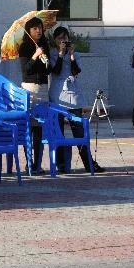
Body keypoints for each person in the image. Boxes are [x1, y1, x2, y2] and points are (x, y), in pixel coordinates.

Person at [48, 27, 104, 174]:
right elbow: (56, 71)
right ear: (55, 40)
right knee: (58, 132)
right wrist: (60, 54)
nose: (63, 41)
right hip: (58, 95)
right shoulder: (52, 54)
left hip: (73, 95)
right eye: (59, 38)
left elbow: (76, 71)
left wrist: (71, 55)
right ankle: (61, 164)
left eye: (65, 38)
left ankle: (88, 163)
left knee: (79, 131)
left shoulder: (75, 54)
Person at [18, 16, 52, 174]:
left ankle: (37, 163)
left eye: (40, 27)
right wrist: (35, 55)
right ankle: (28, 163)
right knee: (29, 127)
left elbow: (48, 71)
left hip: (43, 89)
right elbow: (26, 70)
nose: (38, 31)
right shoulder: (24, 47)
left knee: (39, 128)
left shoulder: (44, 45)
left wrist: (46, 61)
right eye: (35, 28)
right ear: (29, 31)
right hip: (30, 89)